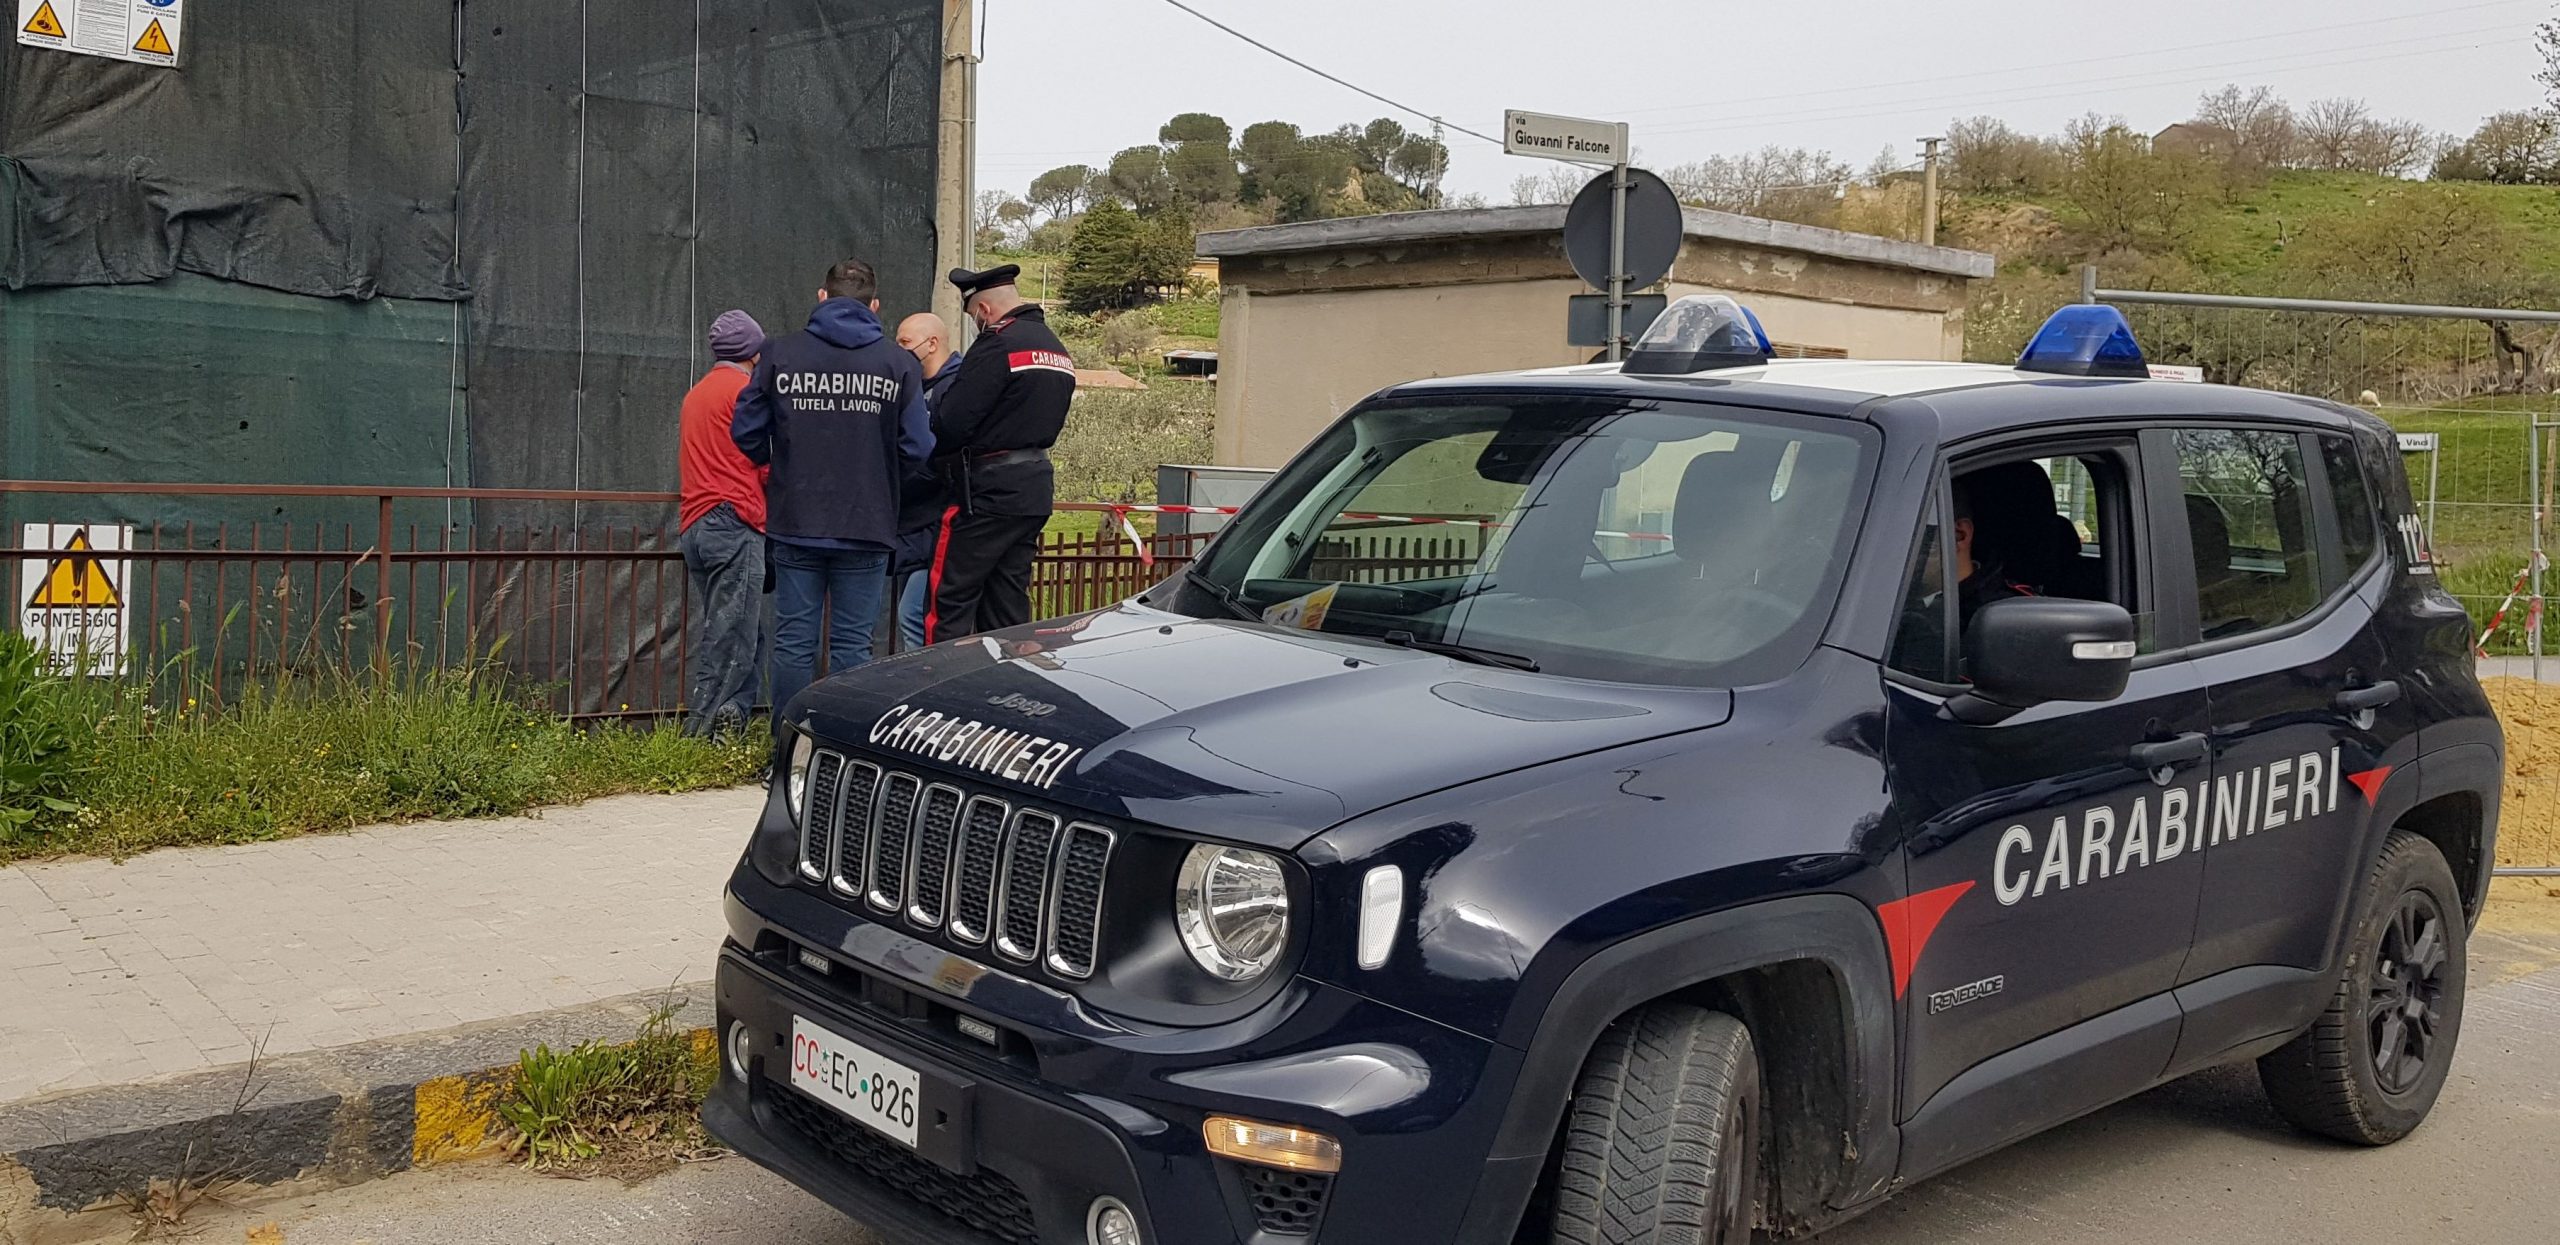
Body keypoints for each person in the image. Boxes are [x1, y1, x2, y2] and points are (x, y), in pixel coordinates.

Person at [730, 260, 933, 725]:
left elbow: (745, 431)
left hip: (797, 520)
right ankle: (841, 749)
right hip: (868, 522)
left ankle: (787, 749)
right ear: (875, 306)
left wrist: (781, 463)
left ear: (822, 297)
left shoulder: (779, 354)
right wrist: (881, 478)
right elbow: (918, 447)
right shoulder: (899, 364)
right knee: (852, 644)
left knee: (794, 642)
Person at [921, 264, 1076, 643]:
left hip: (986, 493)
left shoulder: (996, 345)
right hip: (1034, 488)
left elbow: (953, 422)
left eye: (973, 315)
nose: (975, 323)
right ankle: (1006, 689)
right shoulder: (1054, 346)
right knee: (1007, 606)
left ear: (985, 310)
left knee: (950, 603)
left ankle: (940, 687)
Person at [676, 309, 768, 739]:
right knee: (732, 637)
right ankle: (702, 734)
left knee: (741, 628)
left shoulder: (697, 393)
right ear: (753, 350)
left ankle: (732, 722)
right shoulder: (745, 392)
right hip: (734, 519)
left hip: (696, 523)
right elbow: (762, 459)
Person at [891, 311, 965, 651]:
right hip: (918, 527)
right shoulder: (919, 389)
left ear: (932, 343)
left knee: (914, 615)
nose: (899, 351)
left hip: (939, 524)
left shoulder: (954, 390)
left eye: (905, 343)